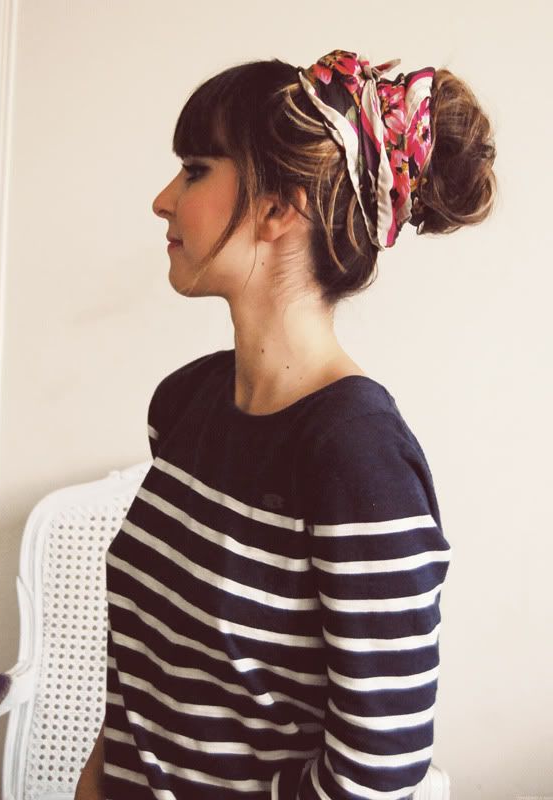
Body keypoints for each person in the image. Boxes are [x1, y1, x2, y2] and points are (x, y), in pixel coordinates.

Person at [75, 49, 497, 800]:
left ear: (278, 208)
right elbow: (149, 686)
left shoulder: (359, 459)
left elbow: (375, 776)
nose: (163, 200)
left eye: (195, 169)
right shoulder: (184, 404)